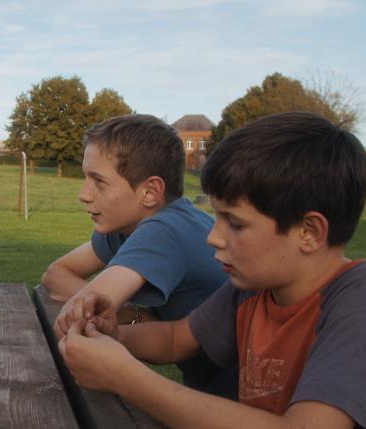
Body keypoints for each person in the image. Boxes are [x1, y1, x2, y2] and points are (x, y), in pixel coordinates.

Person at [58, 112, 366, 428]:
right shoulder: (253, 287)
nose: (213, 237)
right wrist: (113, 335)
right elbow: (175, 340)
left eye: (234, 223)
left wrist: (126, 379)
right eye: (217, 217)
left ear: (309, 232)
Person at [43, 114, 235, 398]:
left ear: (150, 192)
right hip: (204, 393)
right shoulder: (125, 226)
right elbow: (56, 275)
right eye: (86, 178)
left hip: (237, 400)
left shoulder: (164, 230)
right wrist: (129, 312)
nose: (83, 194)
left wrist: (112, 310)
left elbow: (79, 317)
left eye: (98, 182)